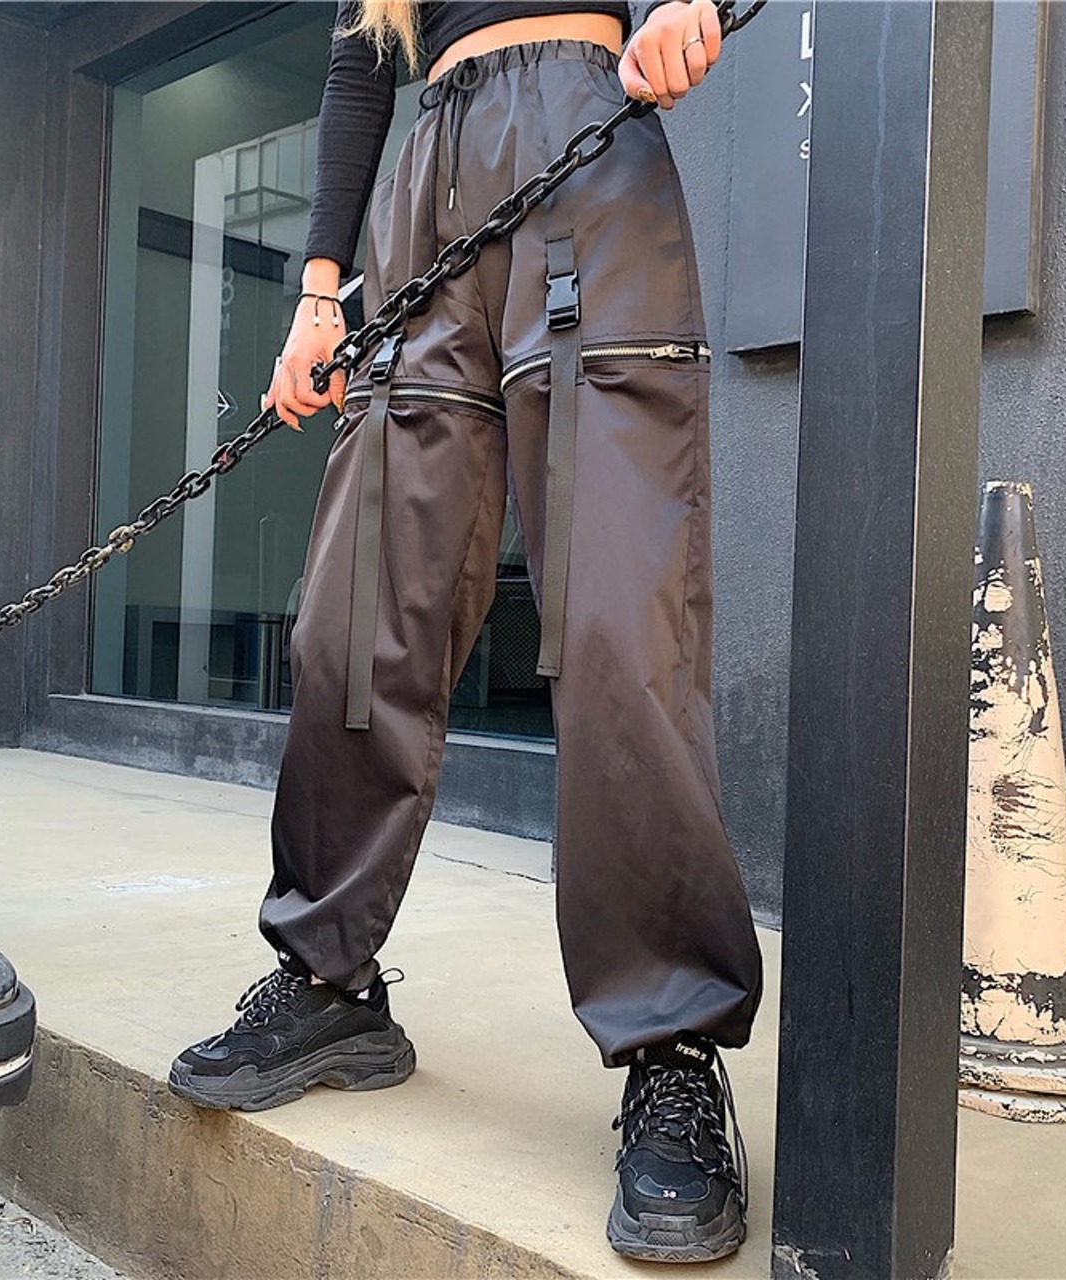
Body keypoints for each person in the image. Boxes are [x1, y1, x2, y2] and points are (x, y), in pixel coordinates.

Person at [168, 0, 763, 1263]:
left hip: (586, 131)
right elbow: (356, 69)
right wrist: (317, 292)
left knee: (618, 617)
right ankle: (328, 978)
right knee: (355, 617)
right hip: (425, 173)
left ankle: (668, 1043)